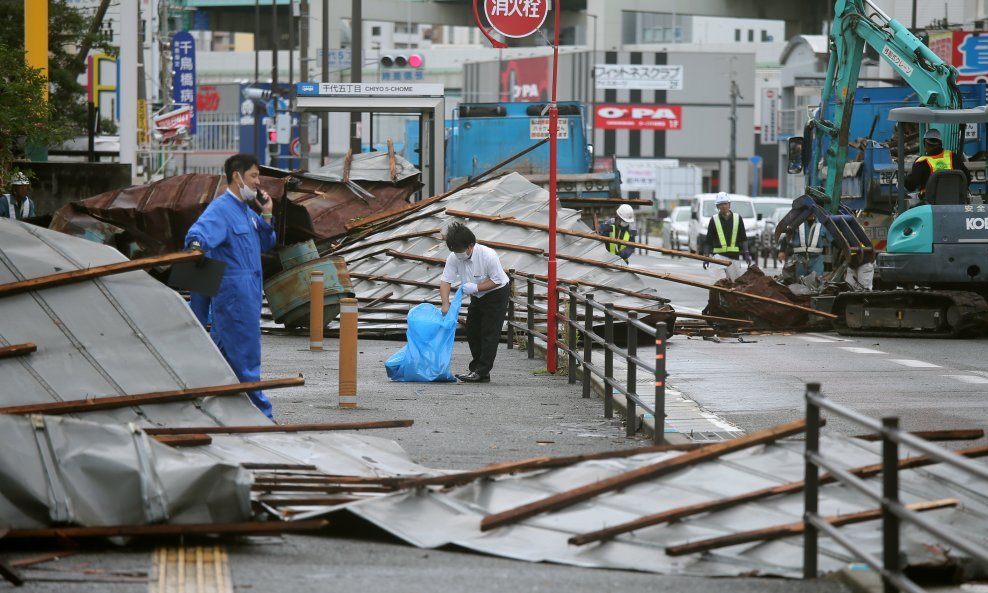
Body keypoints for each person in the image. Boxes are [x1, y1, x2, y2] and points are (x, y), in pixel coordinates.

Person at [185, 154, 277, 418]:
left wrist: (267, 212)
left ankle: (204, 410)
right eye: (254, 176)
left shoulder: (245, 211)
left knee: (221, 358)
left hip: (247, 293)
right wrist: (195, 247)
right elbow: (199, 233)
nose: (258, 183)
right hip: (235, 297)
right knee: (246, 359)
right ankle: (263, 417)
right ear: (237, 176)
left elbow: (266, 240)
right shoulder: (221, 209)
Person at [439, 222, 509, 383]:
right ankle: (477, 369)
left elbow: (497, 280)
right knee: (472, 331)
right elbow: (445, 280)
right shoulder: (455, 256)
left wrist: (477, 287)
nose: (458, 255)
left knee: (489, 333)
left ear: (471, 245)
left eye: (460, 251)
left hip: (496, 293)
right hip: (477, 296)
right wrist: (445, 304)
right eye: (454, 252)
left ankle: (481, 371)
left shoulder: (488, 255)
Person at [904, 128, 971, 199]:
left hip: (929, 204)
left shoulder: (922, 162)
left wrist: (903, 179)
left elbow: (911, 185)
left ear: (925, 144)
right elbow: (967, 179)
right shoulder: (953, 157)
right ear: (940, 143)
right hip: (955, 201)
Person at [702, 192, 752, 280]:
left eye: (725, 203)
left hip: (734, 258)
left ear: (729, 204)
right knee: (718, 284)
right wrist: (706, 257)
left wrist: (747, 253)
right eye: (721, 204)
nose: (723, 206)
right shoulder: (714, 220)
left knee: (735, 284)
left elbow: (743, 238)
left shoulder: (738, 218)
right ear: (717, 206)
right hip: (718, 257)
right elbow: (708, 241)